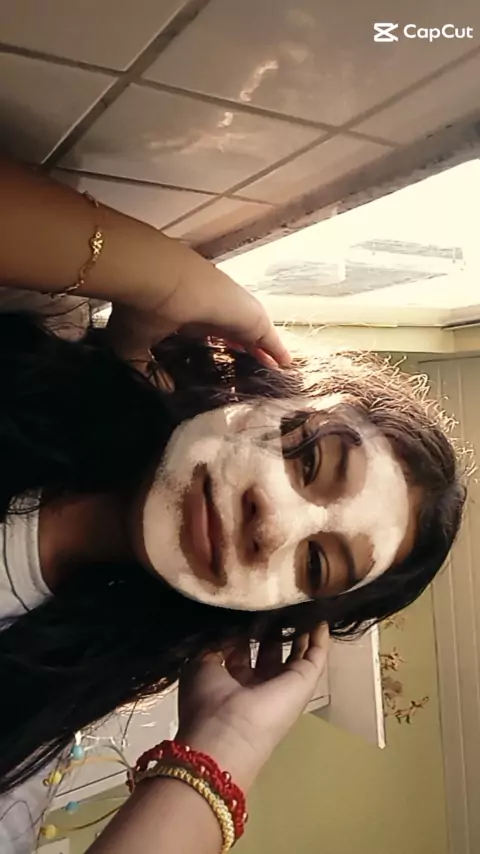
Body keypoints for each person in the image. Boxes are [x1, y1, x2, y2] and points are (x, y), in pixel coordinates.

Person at [0, 158, 466, 852]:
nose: (271, 522)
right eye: (309, 459)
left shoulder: (27, 735)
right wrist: (175, 282)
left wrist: (231, 739)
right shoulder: (38, 321)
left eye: (315, 563)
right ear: (258, 395)